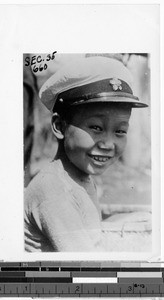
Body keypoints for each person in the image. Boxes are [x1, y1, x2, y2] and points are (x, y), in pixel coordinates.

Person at [24, 56, 150, 252]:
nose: (108, 144)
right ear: (59, 126)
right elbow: (86, 263)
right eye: (96, 128)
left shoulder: (75, 177)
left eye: (120, 131)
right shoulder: (55, 194)